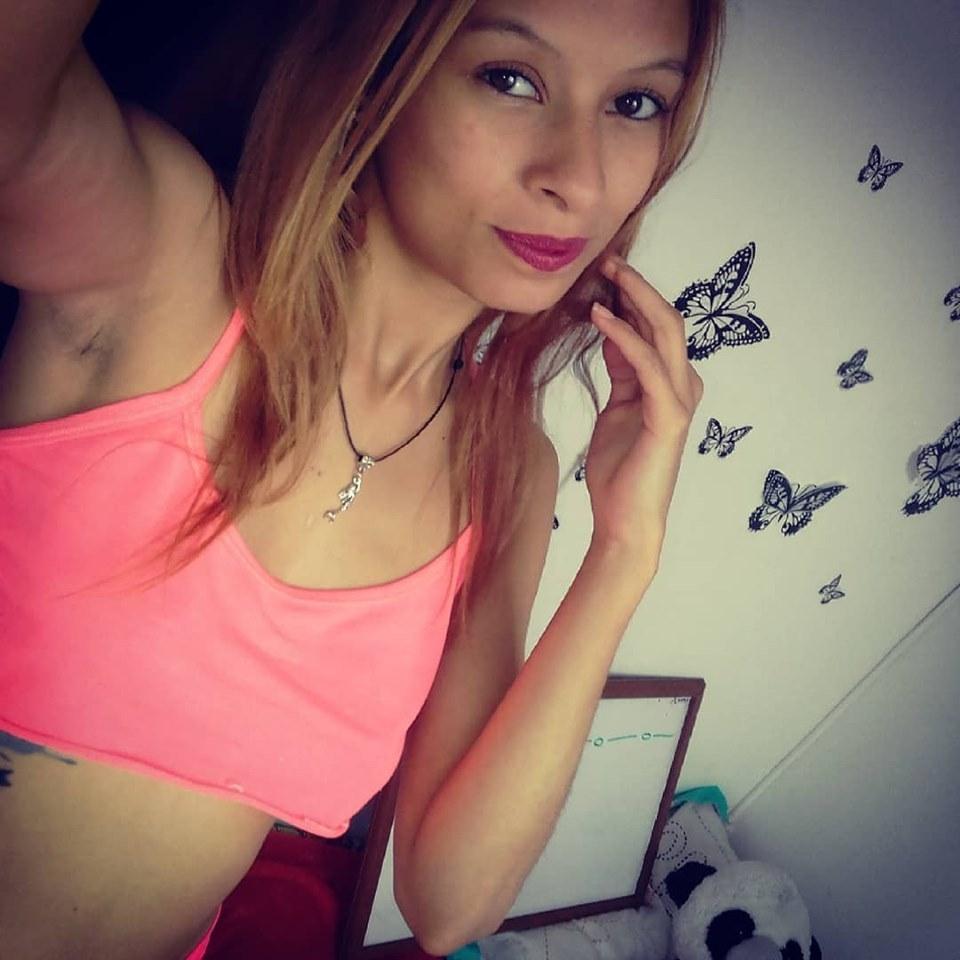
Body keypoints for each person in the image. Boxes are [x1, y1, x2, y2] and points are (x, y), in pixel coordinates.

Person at [0, 0, 722, 957]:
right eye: (510, 79)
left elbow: (449, 902)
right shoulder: (170, 254)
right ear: (384, 69)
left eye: (635, 104)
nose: (579, 179)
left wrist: (624, 552)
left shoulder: (505, 471)